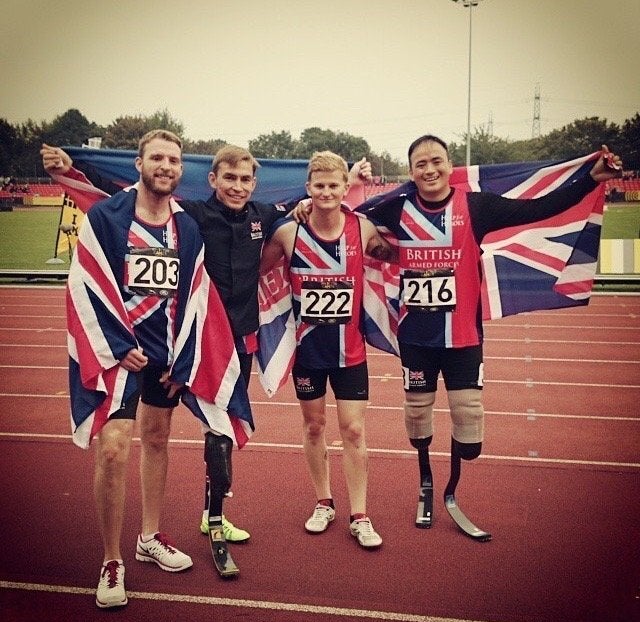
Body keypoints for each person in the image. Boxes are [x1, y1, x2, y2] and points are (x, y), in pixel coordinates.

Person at [42, 142, 370, 544]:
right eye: (229, 178)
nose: (237, 187)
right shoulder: (192, 216)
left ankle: (214, 516)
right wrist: (76, 169)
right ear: (213, 180)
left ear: (255, 184)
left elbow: (317, 203)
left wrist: (342, 186)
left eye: (245, 179)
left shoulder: (265, 217)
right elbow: (123, 199)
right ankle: (151, 532)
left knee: (220, 431)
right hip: (191, 338)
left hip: (237, 342)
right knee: (157, 429)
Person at [358, 135, 623, 531]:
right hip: (416, 338)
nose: (429, 170)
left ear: (449, 165)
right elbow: (348, 217)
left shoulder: (476, 205)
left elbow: (541, 207)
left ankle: (453, 485)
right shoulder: (397, 207)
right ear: (411, 171)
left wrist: (591, 178)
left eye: (436, 161)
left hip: (464, 336)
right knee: (417, 417)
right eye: (420, 164)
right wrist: (330, 192)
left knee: (470, 432)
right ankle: (427, 483)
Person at [42, 130, 251, 607]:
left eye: (174, 160)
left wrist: (186, 357)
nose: (166, 166)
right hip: (119, 355)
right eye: (156, 157)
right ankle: (112, 559)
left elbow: (196, 293)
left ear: (182, 170)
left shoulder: (187, 227)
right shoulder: (107, 217)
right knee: (114, 448)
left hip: (165, 357)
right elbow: (86, 281)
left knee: (157, 439)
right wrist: (118, 345)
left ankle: (149, 537)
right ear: (138, 164)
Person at [259, 151, 397, 549]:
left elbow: (395, 252)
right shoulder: (289, 233)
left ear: (344, 188)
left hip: (350, 351)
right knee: (315, 426)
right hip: (309, 352)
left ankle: (360, 514)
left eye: (334, 185)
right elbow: (257, 270)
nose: (326, 192)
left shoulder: (363, 227)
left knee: (353, 429)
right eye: (318, 186)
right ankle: (323, 502)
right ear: (309, 189)